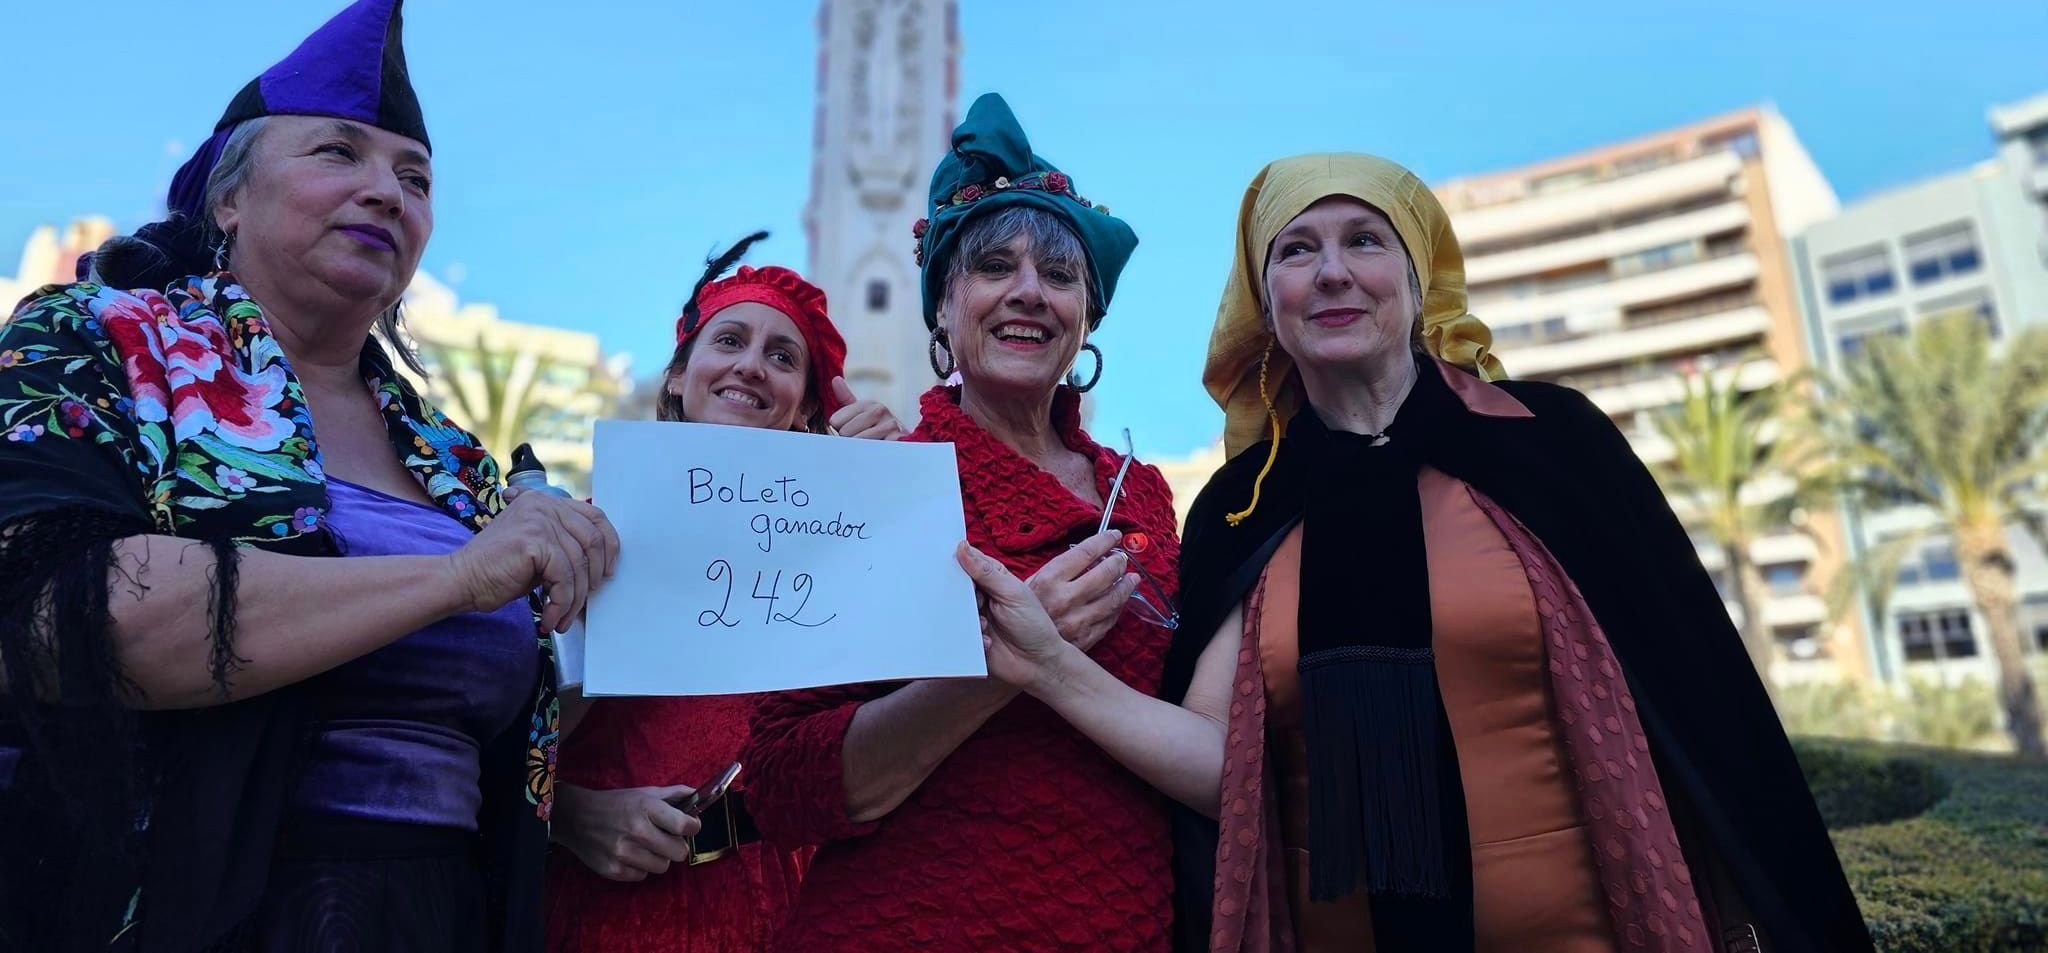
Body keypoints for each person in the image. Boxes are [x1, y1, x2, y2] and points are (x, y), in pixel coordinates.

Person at [960, 153, 1873, 952]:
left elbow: (1706, 706)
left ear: (1418, 275)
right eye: (1296, 250)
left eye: (1365, 240)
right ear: (1262, 301)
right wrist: (1045, 666)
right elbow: (1219, 764)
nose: (1331, 274)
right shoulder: (1242, 508)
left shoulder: (1551, 444)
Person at [0, 0, 619, 953]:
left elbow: (504, 721)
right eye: (340, 151)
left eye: (415, 178)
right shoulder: (97, 340)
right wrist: (455, 578)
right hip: (182, 912)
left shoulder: (455, 460)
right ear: (229, 196)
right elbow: (60, 615)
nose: (387, 189)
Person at [745, 93, 1181, 951]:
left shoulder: (1145, 495)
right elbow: (783, 781)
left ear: (1086, 319)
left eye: (1059, 276)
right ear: (942, 306)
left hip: (1128, 918)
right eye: (993, 267)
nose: (1028, 292)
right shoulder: (878, 481)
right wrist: (1006, 665)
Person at [545, 235, 903, 953]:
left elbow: (902, 727)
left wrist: (892, 498)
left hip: (802, 911)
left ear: (807, 406)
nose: (751, 365)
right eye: (731, 340)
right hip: (609, 912)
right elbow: (489, 732)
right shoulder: (587, 530)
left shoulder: (840, 551)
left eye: (782, 356)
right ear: (678, 375)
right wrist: (570, 814)